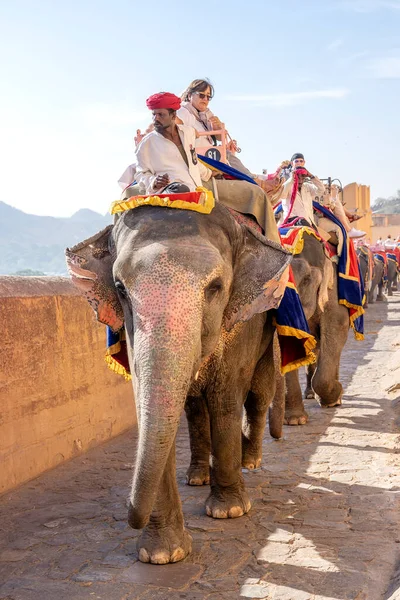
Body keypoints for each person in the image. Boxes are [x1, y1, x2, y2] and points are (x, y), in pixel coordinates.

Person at [135, 92, 280, 242]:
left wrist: (210, 173)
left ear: (173, 116)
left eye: (160, 115)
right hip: (173, 192)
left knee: (256, 193)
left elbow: (192, 161)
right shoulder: (146, 144)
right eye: (154, 115)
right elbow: (140, 174)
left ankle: (275, 247)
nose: (155, 119)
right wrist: (153, 181)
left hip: (201, 186)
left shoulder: (188, 133)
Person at [176, 78, 254, 178]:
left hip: (211, 158)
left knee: (228, 155)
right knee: (228, 157)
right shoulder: (183, 111)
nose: (205, 99)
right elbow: (172, 126)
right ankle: (258, 181)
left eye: (208, 97)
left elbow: (217, 138)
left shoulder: (203, 118)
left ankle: (258, 181)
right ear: (190, 95)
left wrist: (217, 128)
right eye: (201, 95)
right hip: (201, 161)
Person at [279, 153, 326, 226]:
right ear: (292, 163)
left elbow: (321, 189)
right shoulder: (286, 180)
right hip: (293, 221)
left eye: (301, 161)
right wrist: (292, 179)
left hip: (308, 221)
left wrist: (311, 176)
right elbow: (282, 195)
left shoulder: (307, 186)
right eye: (296, 161)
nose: (300, 180)